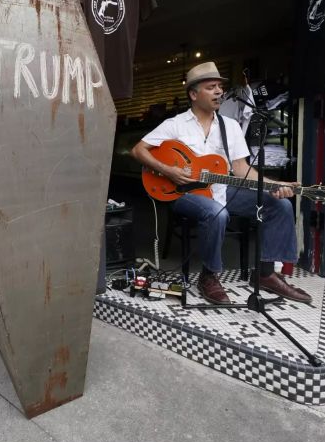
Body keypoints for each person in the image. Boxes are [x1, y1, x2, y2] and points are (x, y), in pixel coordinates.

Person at [131, 61, 310, 305]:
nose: (218, 91)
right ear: (194, 94)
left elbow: (241, 169)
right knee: (217, 213)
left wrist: (272, 185)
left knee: (279, 205)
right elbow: (139, 150)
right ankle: (209, 275)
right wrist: (169, 171)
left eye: (219, 87)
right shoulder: (175, 124)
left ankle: (267, 273)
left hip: (221, 189)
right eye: (211, 87)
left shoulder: (231, 126)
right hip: (182, 193)